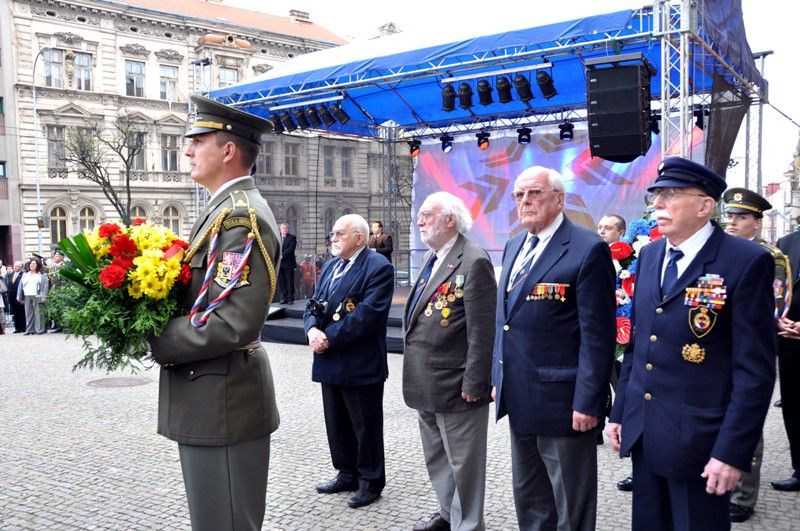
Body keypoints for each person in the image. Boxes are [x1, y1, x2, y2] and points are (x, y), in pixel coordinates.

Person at [605, 158, 776, 531]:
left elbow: (754, 372)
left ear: (704, 206)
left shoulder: (745, 261)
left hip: (701, 444)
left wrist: (731, 453)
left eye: (670, 195)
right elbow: (639, 345)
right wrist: (620, 414)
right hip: (647, 436)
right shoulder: (650, 256)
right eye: (656, 195)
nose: (657, 205)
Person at [147, 94, 280, 531]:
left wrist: (155, 334)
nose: (186, 149)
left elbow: (233, 321)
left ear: (227, 150)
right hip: (213, 396)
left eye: (197, 140)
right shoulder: (223, 211)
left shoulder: (241, 218)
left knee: (224, 523)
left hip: (223, 400)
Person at [492, 165, 616, 531]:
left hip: (564, 402)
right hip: (519, 395)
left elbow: (598, 335)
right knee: (529, 495)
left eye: (535, 193)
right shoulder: (515, 244)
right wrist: (498, 374)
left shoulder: (587, 247)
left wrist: (588, 400)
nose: (525, 201)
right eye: (518, 195)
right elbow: (506, 321)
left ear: (559, 199)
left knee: (570, 503)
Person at [403, 192, 496, 531]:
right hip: (425, 383)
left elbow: (482, 332)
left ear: (450, 220)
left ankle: (468, 524)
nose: (420, 220)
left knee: (464, 465)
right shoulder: (434, 258)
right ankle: (447, 514)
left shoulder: (473, 260)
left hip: (458, 386)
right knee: (438, 459)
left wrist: (475, 382)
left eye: (427, 214)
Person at [304, 213, 394, 509]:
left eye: (340, 233)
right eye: (333, 233)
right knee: (337, 422)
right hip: (329, 360)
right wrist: (311, 329)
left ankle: (370, 481)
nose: (333, 237)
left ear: (359, 237)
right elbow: (314, 303)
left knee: (365, 426)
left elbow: (367, 316)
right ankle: (347, 472)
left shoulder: (378, 266)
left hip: (359, 362)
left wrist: (328, 338)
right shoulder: (331, 266)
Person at [721, 187, 790, 522]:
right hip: (717, 348)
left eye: (742, 217)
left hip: (748, 349)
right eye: (730, 215)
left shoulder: (770, 258)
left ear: (757, 223)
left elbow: (773, 307)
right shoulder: (718, 252)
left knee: (745, 418)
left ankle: (744, 496)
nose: (733, 222)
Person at [772, 214, 800, 494]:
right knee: (793, 408)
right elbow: (779, 290)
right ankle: (798, 468)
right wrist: (780, 318)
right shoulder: (788, 242)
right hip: (790, 339)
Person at [17, 258, 49, 335]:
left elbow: (45, 286)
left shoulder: (42, 275)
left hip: (37, 295)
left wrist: (43, 296)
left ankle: (39, 330)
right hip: (27, 295)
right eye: (31, 263)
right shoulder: (25, 274)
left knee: (38, 314)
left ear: (38, 265)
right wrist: (20, 297)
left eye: (34, 264)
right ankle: (30, 330)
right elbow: (20, 286)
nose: (32, 265)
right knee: (28, 313)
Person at [278, 222, 297, 304]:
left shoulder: (292, 237)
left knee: (289, 281)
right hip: (279, 264)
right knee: (281, 282)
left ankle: (290, 298)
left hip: (288, 263)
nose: (285, 229)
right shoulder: (277, 237)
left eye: (286, 228)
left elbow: (291, 249)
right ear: (280, 229)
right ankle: (283, 298)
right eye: (283, 228)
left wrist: (282, 255)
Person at [47, 249, 66, 332]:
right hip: (55, 288)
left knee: (63, 307)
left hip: (63, 288)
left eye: (57, 256)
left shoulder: (65, 265)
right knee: (56, 307)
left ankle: (65, 325)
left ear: (62, 257)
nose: (55, 257)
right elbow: (50, 279)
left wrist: (65, 286)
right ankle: (57, 325)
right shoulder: (52, 266)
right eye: (54, 256)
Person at [7, 261, 26, 333]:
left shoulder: (23, 275)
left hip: (20, 297)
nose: (15, 267)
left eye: (17, 266)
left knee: (22, 312)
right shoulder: (10, 275)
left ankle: (23, 327)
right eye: (14, 265)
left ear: (21, 267)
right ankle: (17, 328)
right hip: (12, 297)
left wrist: (23, 298)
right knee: (15, 313)